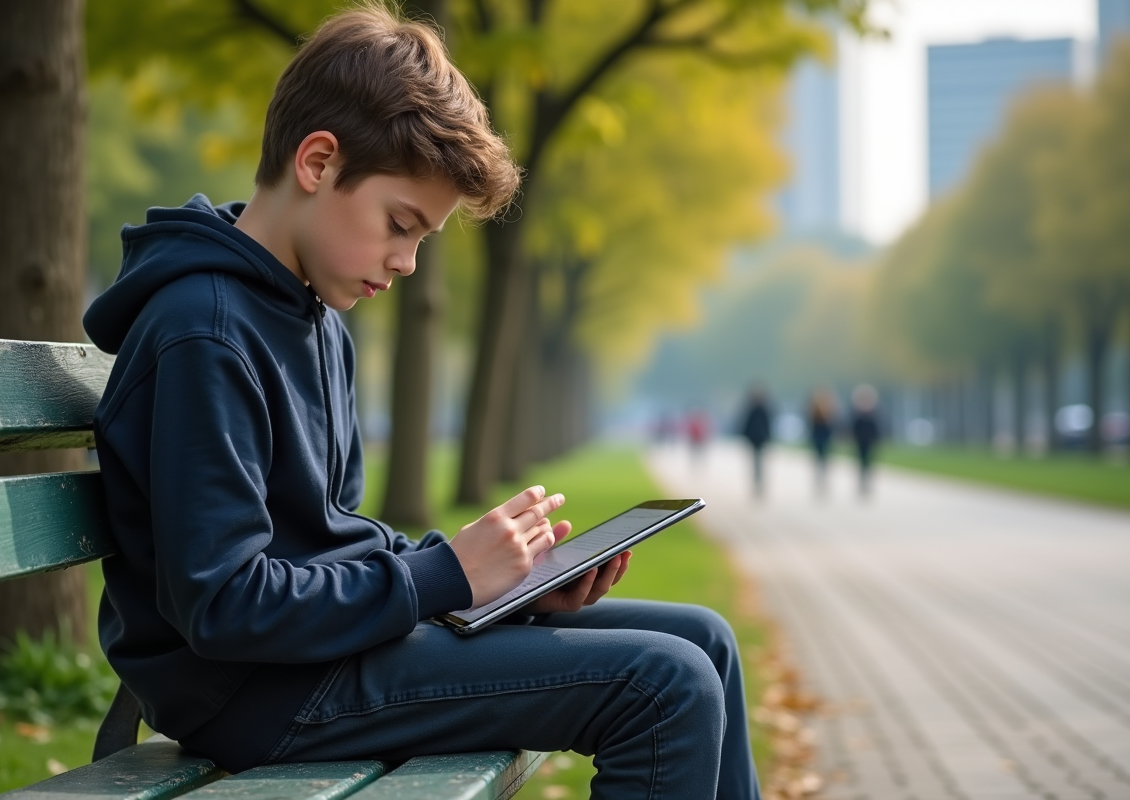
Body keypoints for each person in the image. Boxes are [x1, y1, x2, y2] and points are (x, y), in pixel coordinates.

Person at [81, 6, 759, 799]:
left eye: (422, 240)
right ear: (318, 162)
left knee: (704, 641)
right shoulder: (207, 331)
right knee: (661, 684)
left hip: (319, 658)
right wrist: (441, 578)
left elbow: (329, 545)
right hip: (256, 693)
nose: (405, 262)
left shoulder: (313, 317)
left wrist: (498, 584)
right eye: (400, 225)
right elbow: (227, 604)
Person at [738, 386, 771, 498]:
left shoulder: (759, 409)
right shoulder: (758, 409)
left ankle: (758, 482)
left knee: (758, 462)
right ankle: (757, 482)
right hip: (757, 439)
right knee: (757, 462)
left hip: (758, 439)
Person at [850, 384, 881, 497]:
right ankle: (862, 482)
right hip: (859, 442)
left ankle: (866, 483)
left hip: (869, 442)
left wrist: (877, 440)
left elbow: (876, 429)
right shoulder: (857, 413)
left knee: (868, 463)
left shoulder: (873, 413)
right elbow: (853, 428)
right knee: (861, 463)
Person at [807, 388, 836, 496]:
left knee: (823, 460)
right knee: (820, 460)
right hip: (818, 438)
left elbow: (832, 426)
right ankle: (820, 479)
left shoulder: (828, 411)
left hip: (824, 438)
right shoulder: (815, 411)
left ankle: (822, 479)